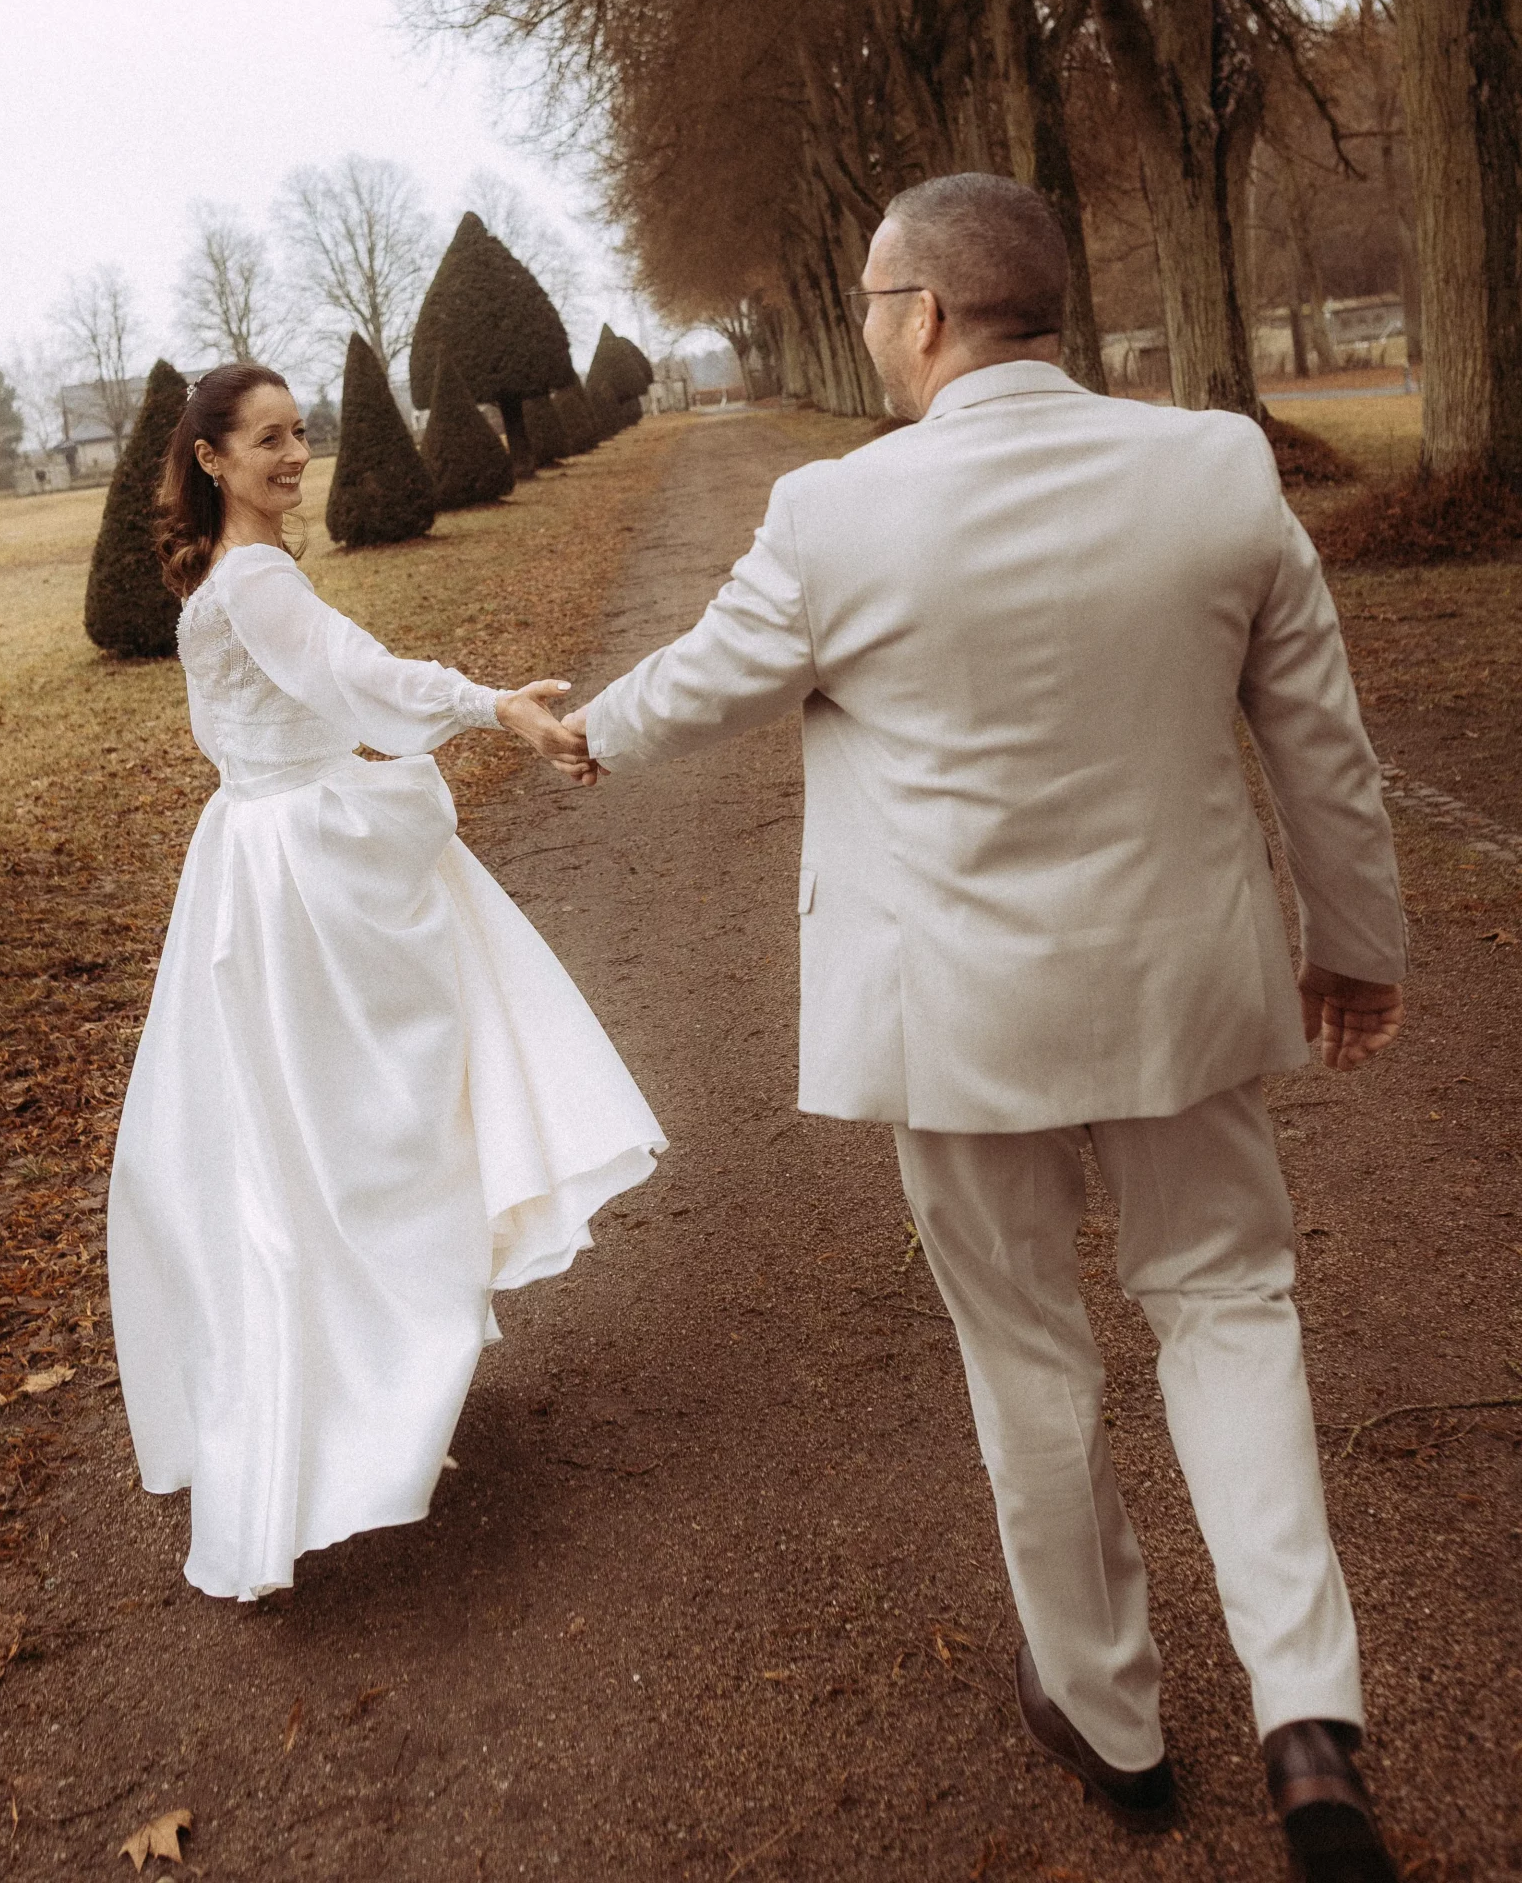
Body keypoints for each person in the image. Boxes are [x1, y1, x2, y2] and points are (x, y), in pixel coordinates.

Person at [550, 173, 1407, 1883]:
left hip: (955, 1022)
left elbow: (703, 686)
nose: (871, 331)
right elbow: (1321, 741)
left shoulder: (835, 515)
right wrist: (1355, 946)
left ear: (927, 314)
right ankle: (1308, 1723)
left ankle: (1110, 1715)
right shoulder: (1217, 469)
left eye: (875, 304)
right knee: (1231, 1316)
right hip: (1183, 993)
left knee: (1030, 1354)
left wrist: (580, 736)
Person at [108, 361, 662, 1602]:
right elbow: (364, 675)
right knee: (356, 1135)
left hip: (268, 856)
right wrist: (492, 709)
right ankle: (365, 1396)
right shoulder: (251, 576)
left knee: (306, 1136)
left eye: (302, 433)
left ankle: (369, 1378)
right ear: (208, 457)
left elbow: (333, 686)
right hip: (296, 873)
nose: (294, 454)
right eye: (266, 438)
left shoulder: (222, 575)